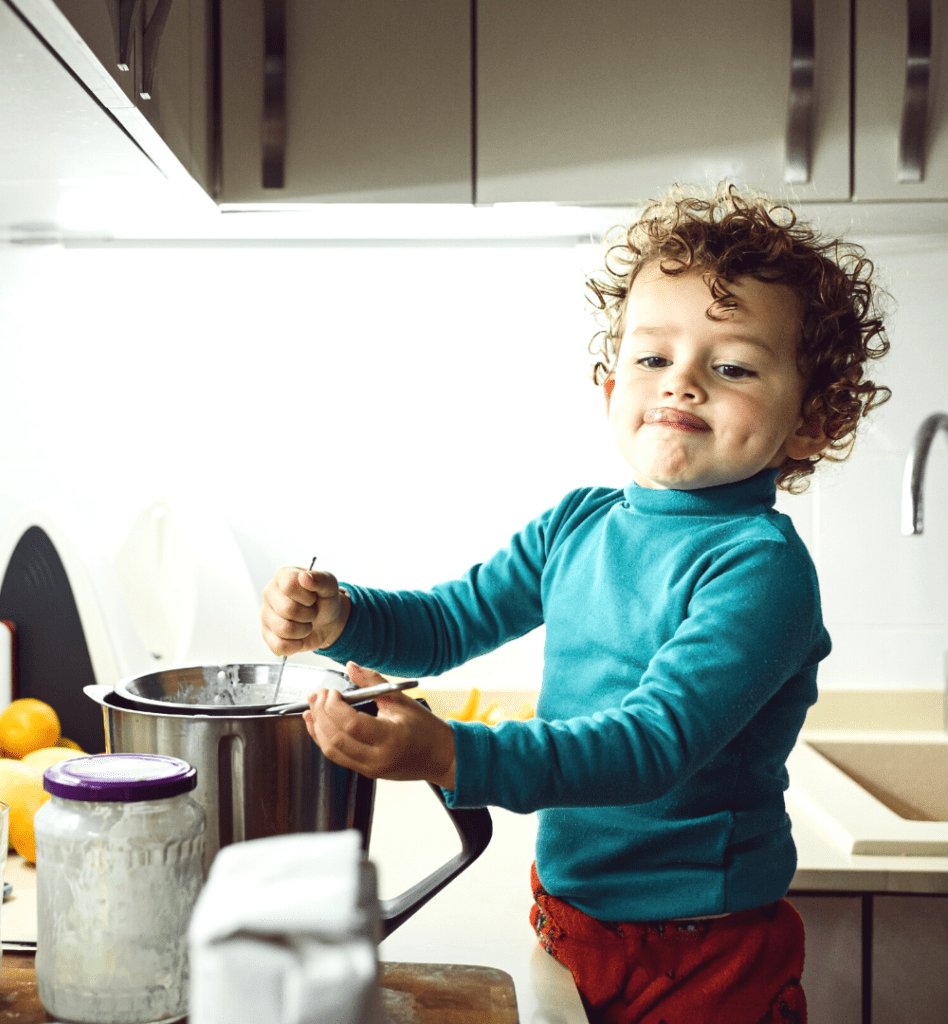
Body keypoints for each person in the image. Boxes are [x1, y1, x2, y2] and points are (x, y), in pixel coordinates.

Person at [259, 184, 891, 1024]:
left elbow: (651, 747)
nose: (683, 383)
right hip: (571, 919)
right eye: (653, 357)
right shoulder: (577, 526)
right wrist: (342, 618)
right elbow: (448, 624)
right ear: (608, 388)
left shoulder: (760, 570)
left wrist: (454, 755)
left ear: (810, 424)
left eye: (731, 365)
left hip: (705, 953)